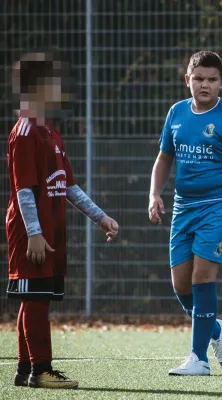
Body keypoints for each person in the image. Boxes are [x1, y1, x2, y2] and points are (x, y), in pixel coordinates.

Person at [6, 52, 119, 389]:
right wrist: (35, 233)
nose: (59, 89)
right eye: (53, 83)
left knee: (36, 299)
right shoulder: (25, 131)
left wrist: (100, 217)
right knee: (35, 299)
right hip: (32, 235)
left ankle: (26, 370)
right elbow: (23, 189)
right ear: (36, 87)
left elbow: (67, 184)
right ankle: (42, 370)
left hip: (50, 233)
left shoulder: (51, 131)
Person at [148, 50, 222, 376]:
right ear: (187, 81)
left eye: (211, 79)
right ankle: (215, 329)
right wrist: (154, 194)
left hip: (219, 207)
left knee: (202, 278)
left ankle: (199, 359)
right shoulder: (176, 113)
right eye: (198, 79)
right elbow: (165, 158)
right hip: (183, 207)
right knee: (180, 285)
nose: (204, 85)